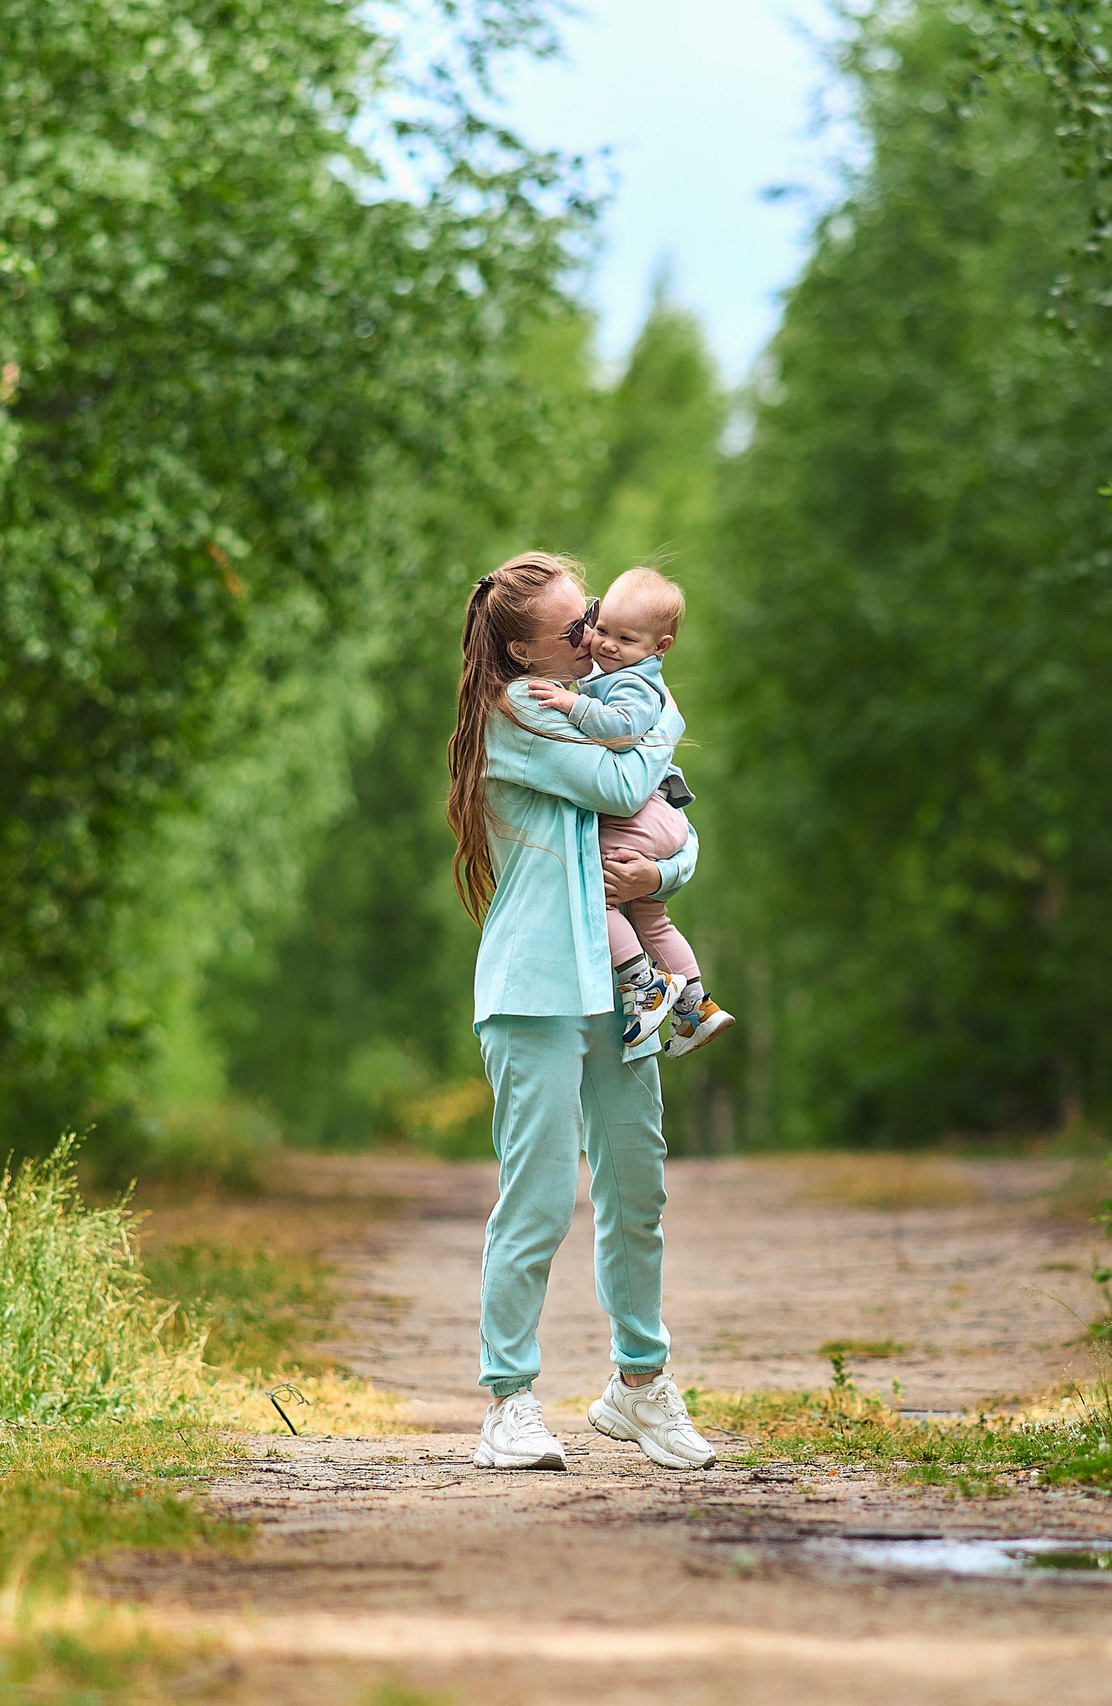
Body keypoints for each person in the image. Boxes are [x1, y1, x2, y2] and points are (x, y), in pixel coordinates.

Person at [445, 550, 717, 1472]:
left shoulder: (604, 704)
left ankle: (639, 1388)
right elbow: (619, 789)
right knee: (538, 1197)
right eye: (573, 630)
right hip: (534, 985)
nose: (594, 636)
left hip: (616, 980)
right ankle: (508, 1401)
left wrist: (662, 873)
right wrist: (666, 715)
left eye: (595, 614)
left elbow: (670, 830)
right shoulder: (518, 711)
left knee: (637, 1189)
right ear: (525, 654)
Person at [526, 566, 736, 1059]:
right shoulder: (625, 673)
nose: (607, 645)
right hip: (661, 820)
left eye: (626, 638)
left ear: (659, 647)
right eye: (601, 629)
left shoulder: (636, 686)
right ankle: (695, 1006)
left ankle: (644, 985)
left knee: (595, 893)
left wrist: (569, 704)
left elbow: (620, 731)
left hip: (642, 815)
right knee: (651, 917)